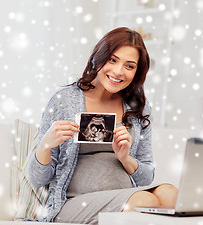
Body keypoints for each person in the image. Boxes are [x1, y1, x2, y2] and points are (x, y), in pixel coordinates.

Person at [27, 27, 178, 224]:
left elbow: (145, 178)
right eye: (112, 60)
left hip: (126, 194)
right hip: (73, 204)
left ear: (137, 72)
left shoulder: (138, 107)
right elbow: (38, 180)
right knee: (142, 201)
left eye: (129, 66)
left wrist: (126, 158)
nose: (118, 71)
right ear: (99, 57)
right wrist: (46, 144)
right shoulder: (64, 101)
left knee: (170, 194)